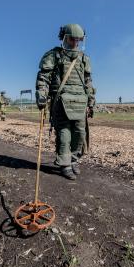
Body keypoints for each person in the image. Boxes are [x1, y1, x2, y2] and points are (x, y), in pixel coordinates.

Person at [35, 23, 96, 180]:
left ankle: (74, 160)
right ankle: (65, 164)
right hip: (60, 102)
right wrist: (41, 95)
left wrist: (91, 102)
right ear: (64, 38)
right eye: (72, 40)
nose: (75, 43)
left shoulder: (83, 59)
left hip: (80, 102)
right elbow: (44, 77)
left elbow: (88, 82)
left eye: (78, 40)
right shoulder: (54, 55)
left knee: (80, 134)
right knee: (64, 133)